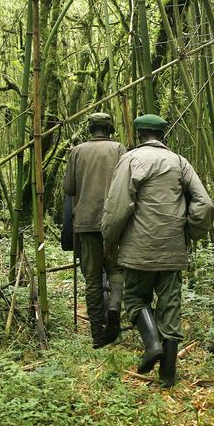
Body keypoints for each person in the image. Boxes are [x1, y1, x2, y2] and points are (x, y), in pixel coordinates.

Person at [101, 114, 214, 387]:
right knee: (171, 309)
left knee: (136, 300)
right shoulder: (179, 162)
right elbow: (205, 205)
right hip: (172, 249)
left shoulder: (130, 160)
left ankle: (152, 345)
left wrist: (109, 240)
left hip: (138, 249)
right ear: (163, 135)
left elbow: (118, 208)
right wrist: (189, 233)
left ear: (139, 135)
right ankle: (168, 376)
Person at [63, 112, 126, 348]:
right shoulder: (120, 149)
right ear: (110, 129)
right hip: (115, 221)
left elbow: (69, 188)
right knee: (116, 270)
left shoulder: (78, 151)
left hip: (86, 223)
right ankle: (114, 307)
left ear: (90, 130)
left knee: (92, 280)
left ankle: (98, 335)